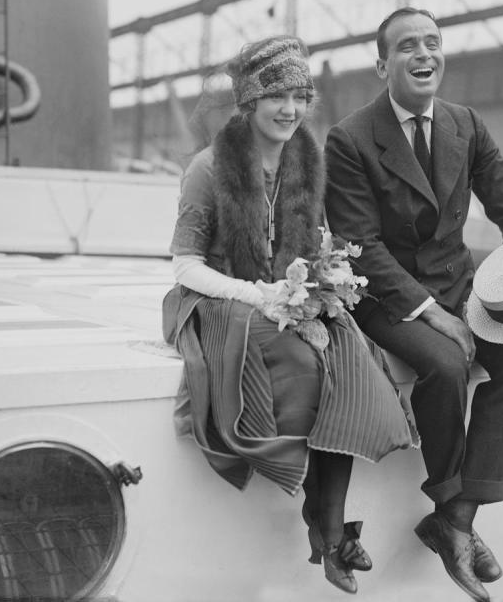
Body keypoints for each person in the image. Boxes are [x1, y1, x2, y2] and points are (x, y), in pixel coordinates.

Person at [164, 35, 418, 596]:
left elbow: (309, 237)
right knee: (304, 364)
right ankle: (330, 532)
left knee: (351, 360)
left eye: (301, 96)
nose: (291, 110)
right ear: (249, 102)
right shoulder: (210, 169)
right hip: (221, 299)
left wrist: (325, 275)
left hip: (290, 291)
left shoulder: (309, 159)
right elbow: (184, 265)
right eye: (277, 96)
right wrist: (258, 296)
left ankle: (326, 525)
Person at [324, 8, 503, 602]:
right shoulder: (349, 139)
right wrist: (432, 313)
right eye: (406, 47)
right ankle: (448, 505)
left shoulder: (465, 124)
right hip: (386, 296)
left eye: (432, 43)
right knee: (444, 366)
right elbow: (360, 247)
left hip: (461, 287)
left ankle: (458, 518)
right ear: (382, 65)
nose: (423, 55)